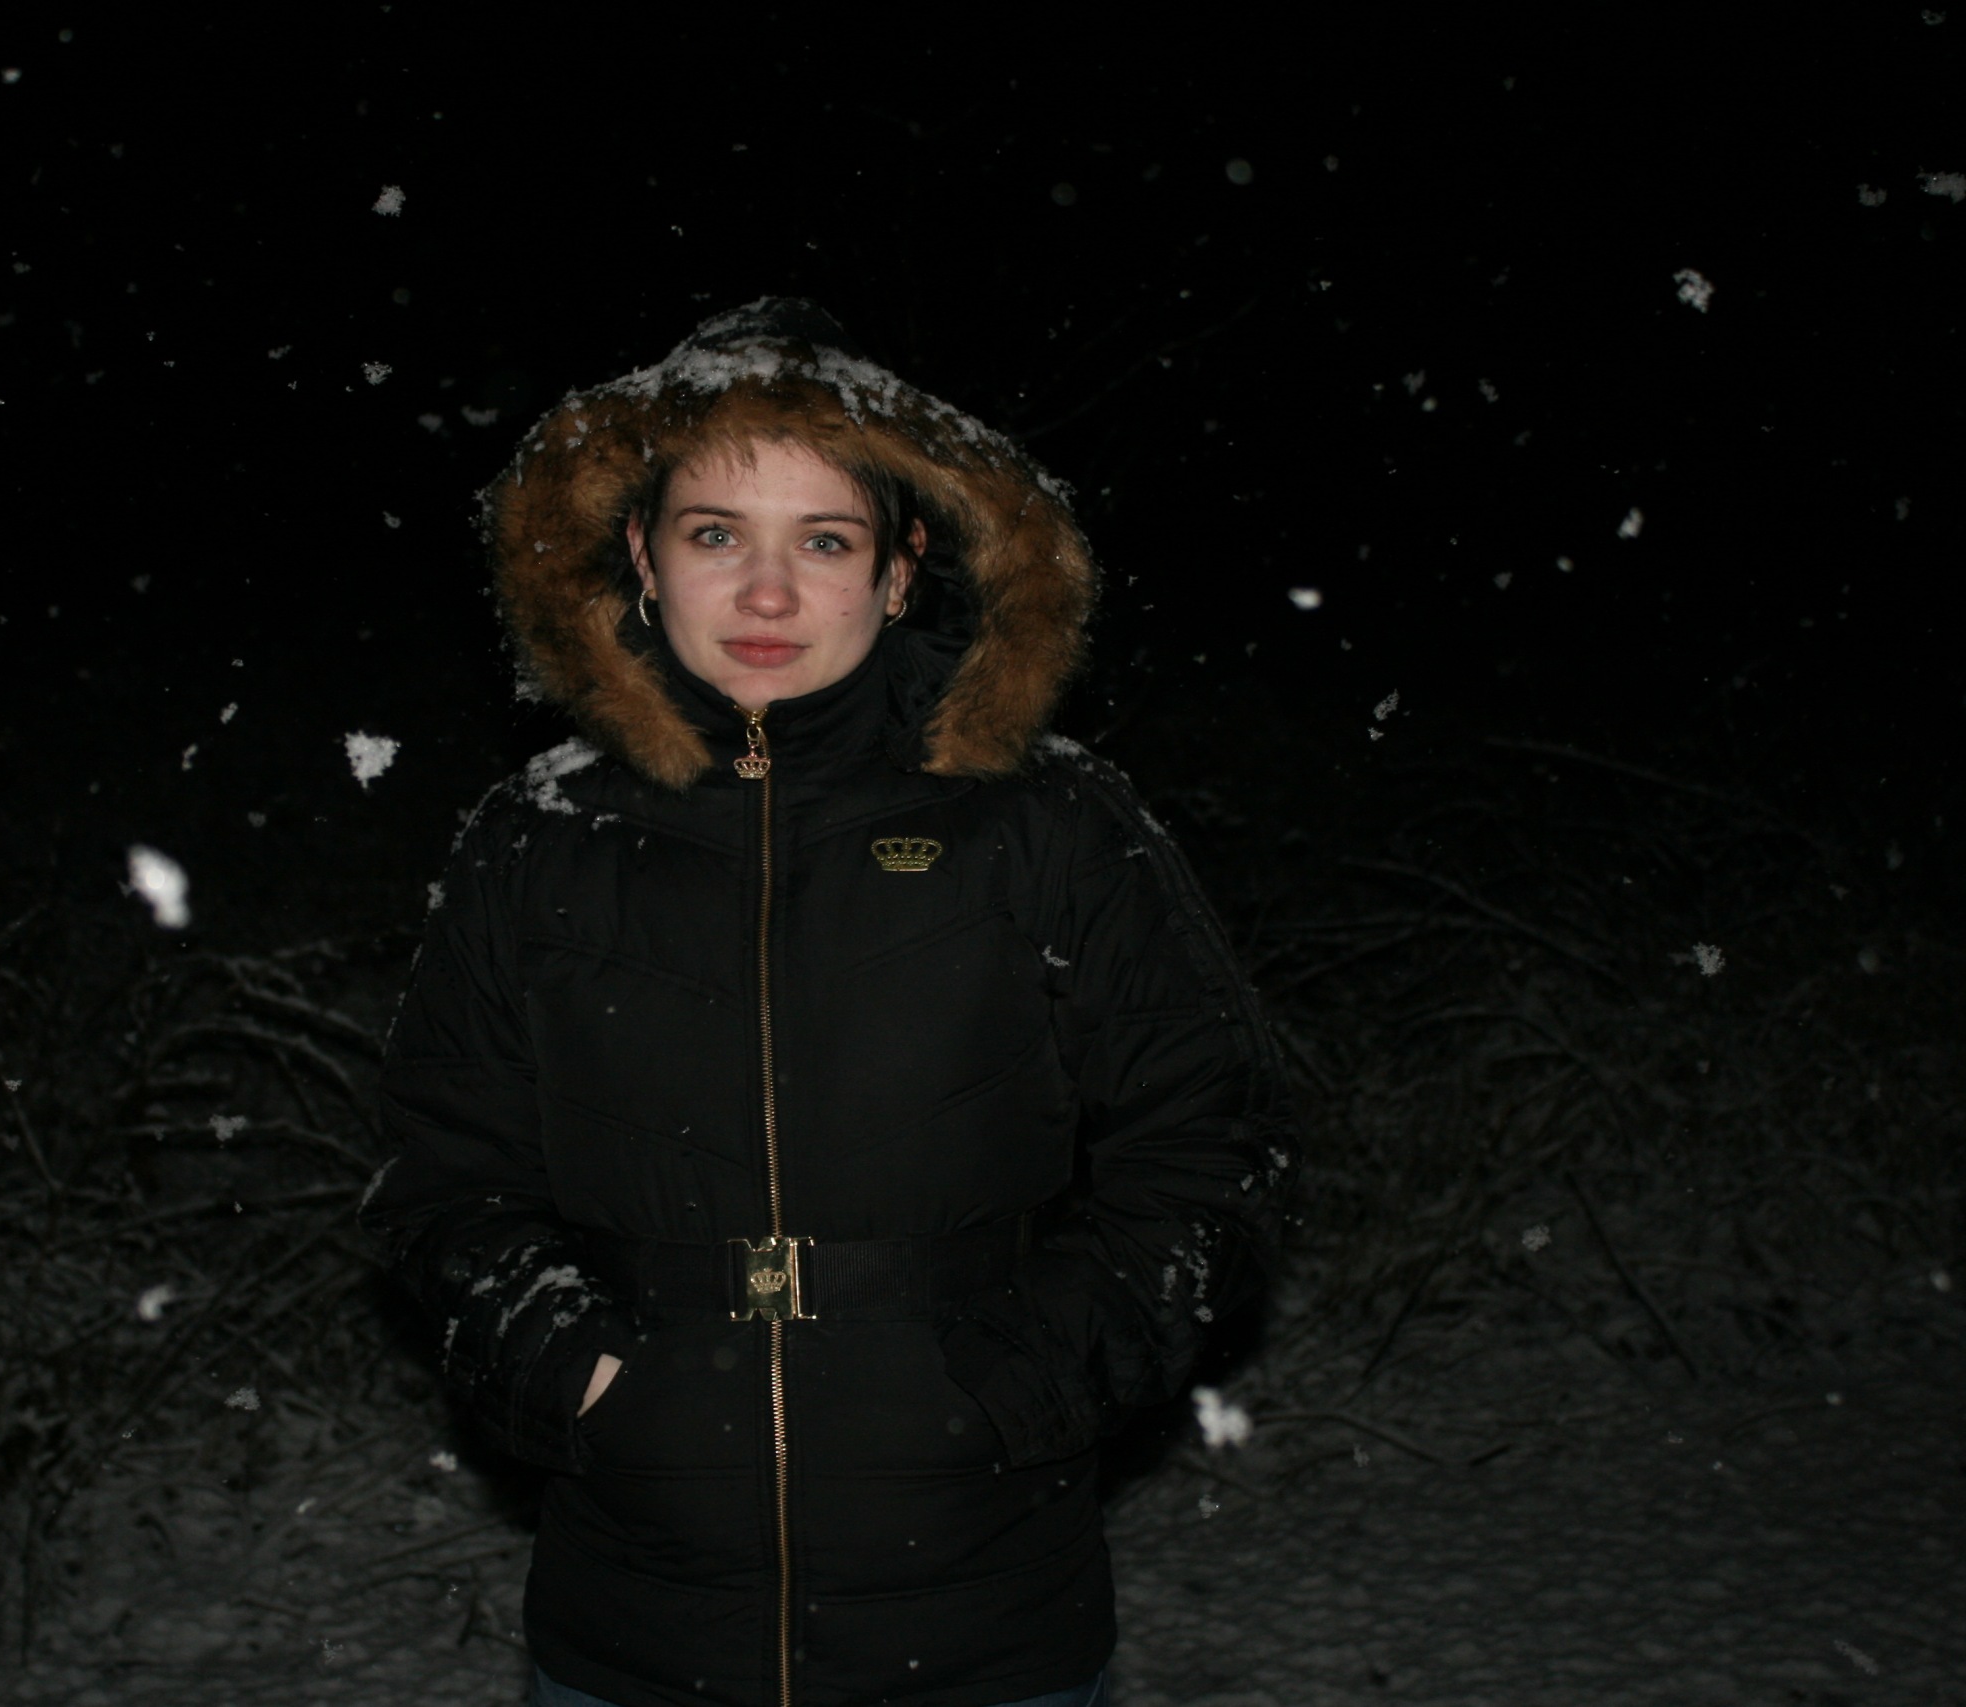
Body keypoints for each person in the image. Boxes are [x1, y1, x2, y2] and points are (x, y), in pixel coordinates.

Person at [359, 299, 1293, 1707]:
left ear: (903, 570)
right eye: (715, 534)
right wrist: (582, 1373)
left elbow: (1215, 1151)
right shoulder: (537, 838)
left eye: (825, 541)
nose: (767, 595)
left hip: (985, 1622)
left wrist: (1024, 1381)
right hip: (638, 1629)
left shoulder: (1046, 823)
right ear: (641, 556)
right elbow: (441, 1179)